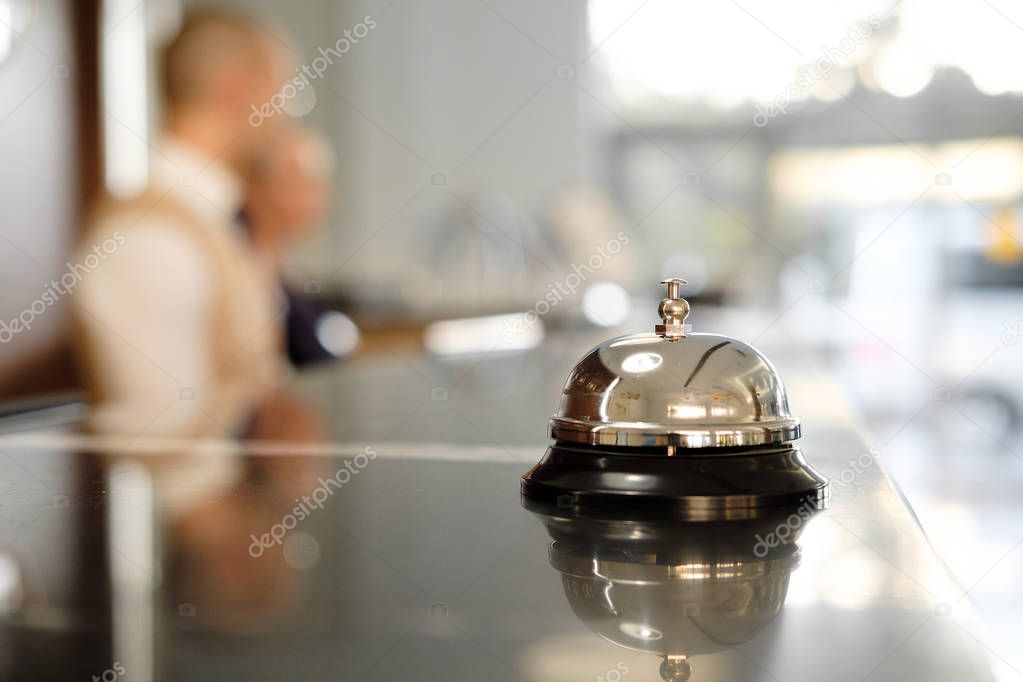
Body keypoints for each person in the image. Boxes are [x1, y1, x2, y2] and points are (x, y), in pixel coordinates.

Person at [73, 9, 290, 438]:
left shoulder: (215, 221)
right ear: (236, 91)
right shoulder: (151, 238)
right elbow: (167, 439)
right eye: (282, 94)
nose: (286, 117)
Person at [242, 126, 358, 365]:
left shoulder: (274, 269)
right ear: (261, 186)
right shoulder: (241, 264)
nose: (326, 196)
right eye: (311, 183)